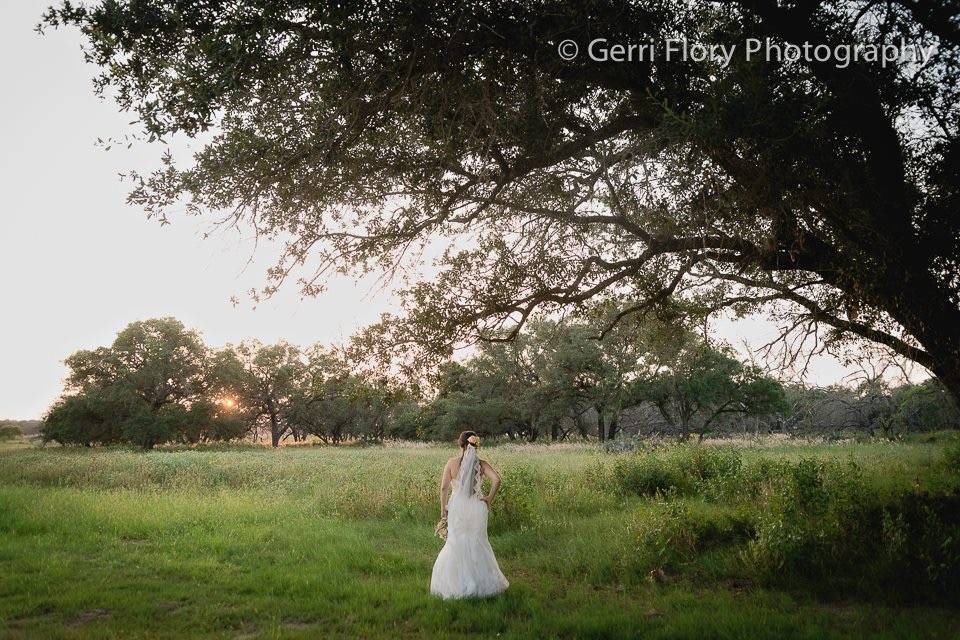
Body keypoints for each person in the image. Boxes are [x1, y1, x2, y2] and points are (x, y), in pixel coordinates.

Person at [429, 430, 509, 599]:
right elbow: (497, 480)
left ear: (461, 444)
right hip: (476, 507)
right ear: (475, 445)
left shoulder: (451, 463)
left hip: (457, 507)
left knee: (456, 543)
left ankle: (458, 584)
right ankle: (480, 584)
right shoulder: (482, 464)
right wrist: (489, 498)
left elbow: (444, 488)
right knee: (478, 543)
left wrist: (443, 509)